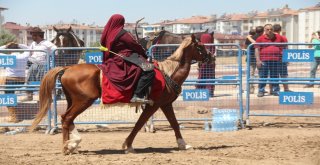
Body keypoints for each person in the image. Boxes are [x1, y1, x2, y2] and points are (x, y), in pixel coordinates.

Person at [100, 14, 155, 103]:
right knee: (149, 70)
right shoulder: (123, 34)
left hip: (112, 59)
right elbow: (135, 45)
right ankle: (138, 95)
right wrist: (143, 53)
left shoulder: (106, 33)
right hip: (124, 59)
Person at [21, 27, 57, 101]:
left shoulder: (47, 43)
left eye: (33, 35)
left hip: (43, 65)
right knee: (29, 80)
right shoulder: (33, 43)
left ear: (38, 35)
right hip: (33, 64)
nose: (32, 36)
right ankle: (29, 96)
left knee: (44, 82)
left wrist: (50, 56)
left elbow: (55, 51)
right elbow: (29, 52)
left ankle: (47, 97)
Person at [0, 42, 29, 122]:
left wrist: (5, 46)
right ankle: (14, 114)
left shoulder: (8, 57)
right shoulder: (24, 56)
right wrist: (19, 45)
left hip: (10, 80)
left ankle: (13, 117)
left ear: (9, 50)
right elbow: (28, 48)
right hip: (21, 81)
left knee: (8, 97)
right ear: (19, 49)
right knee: (12, 95)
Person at [255, 24, 286, 97]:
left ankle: (276, 90)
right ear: (264, 30)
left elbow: (285, 46)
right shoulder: (260, 38)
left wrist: (283, 57)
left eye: (271, 29)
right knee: (263, 76)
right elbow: (257, 49)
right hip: (264, 60)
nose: (269, 31)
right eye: (267, 29)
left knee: (275, 76)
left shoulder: (279, 37)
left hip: (276, 60)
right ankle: (261, 91)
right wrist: (258, 60)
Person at [273, 24, 292, 92]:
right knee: (283, 74)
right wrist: (287, 58)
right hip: (281, 57)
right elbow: (286, 48)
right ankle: (286, 89)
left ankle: (272, 90)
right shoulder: (283, 37)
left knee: (273, 75)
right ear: (280, 30)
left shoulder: (270, 38)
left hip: (272, 58)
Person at [196, 31, 216, 97]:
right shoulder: (212, 47)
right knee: (210, 78)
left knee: (201, 77)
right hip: (210, 65)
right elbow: (214, 56)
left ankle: (200, 92)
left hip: (203, 65)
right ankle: (210, 92)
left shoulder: (201, 47)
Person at [245, 26, 264, 94]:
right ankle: (261, 89)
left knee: (251, 74)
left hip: (250, 57)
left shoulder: (250, 38)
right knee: (261, 74)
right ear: (262, 31)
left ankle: (251, 89)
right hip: (260, 58)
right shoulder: (262, 38)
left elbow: (245, 46)